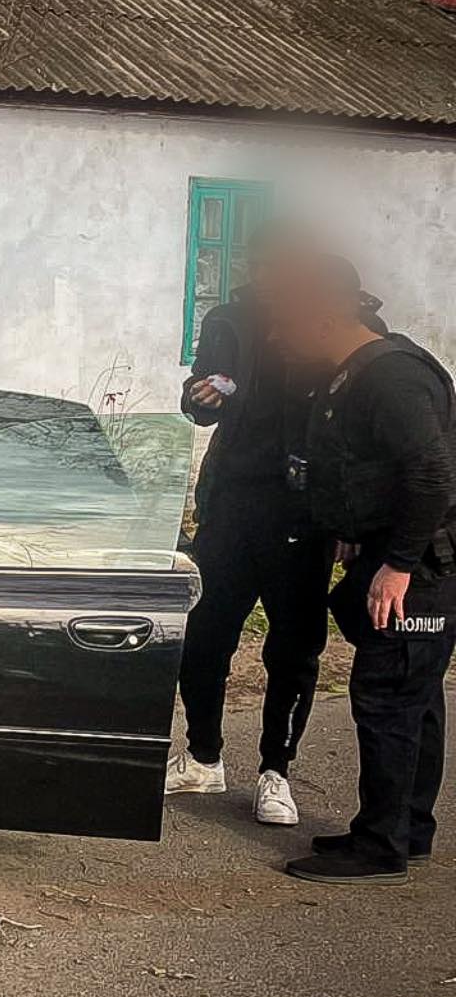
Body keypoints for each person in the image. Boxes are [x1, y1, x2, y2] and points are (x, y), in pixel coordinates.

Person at [268, 258, 456, 884]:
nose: (277, 335)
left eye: (286, 320)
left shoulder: (392, 378)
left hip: (420, 565)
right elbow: (375, 467)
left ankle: (381, 846)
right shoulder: (361, 371)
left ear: (323, 316)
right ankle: (406, 828)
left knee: (388, 699)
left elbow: (431, 474)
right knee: (415, 698)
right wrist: (356, 530)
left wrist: (398, 565)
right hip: (395, 551)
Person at [165, 224, 336, 825]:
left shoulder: (328, 321)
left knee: (292, 648)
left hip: (300, 511)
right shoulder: (227, 319)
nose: (268, 276)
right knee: (205, 633)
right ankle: (203, 757)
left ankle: (275, 772)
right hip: (230, 501)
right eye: (260, 264)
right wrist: (200, 394)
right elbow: (198, 400)